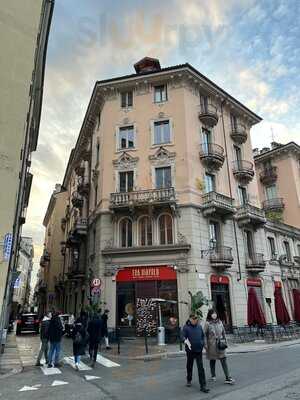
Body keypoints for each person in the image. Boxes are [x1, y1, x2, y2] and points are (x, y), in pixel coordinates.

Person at [204, 309, 234, 384]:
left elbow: (223, 332)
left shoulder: (220, 322)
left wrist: (225, 341)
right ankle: (213, 375)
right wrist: (205, 344)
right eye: (212, 314)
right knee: (212, 360)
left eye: (215, 313)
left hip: (220, 344)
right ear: (210, 315)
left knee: (223, 360)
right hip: (212, 345)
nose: (214, 315)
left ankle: (228, 377)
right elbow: (204, 334)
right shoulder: (207, 323)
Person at [182, 314, 209, 393]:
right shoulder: (186, 327)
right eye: (193, 319)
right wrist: (185, 341)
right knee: (189, 366)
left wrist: (203, 344)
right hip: (190, 350)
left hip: (198, 350)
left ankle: (203, 386)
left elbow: (202, 336)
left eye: (196, 319)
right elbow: (182, 336)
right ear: (190, 319)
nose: (194, 320)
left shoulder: (199, 327)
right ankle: (189, 379)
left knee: (201, 368)